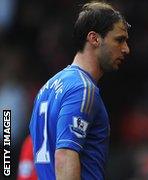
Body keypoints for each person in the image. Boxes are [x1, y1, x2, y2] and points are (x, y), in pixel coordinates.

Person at [29, 2, 130, 179]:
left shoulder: (46, 88)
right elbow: (65, 155)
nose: (126, 49)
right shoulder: (82, 89)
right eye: (119, 40)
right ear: (94, 38)